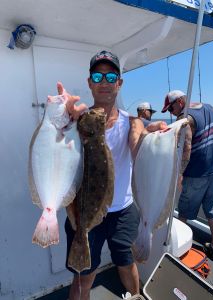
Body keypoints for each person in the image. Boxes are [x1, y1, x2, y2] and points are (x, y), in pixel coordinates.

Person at [57, 50, 167, 300]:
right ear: (89, 83)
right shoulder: (79, 121)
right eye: (97, 76)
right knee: (83, 276)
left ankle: (136, 297)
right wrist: (64, 122)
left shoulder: (132, 123)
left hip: (123, 211)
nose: (104, 82)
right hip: (84, 210)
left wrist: (159, 139)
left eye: (110, 76)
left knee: (127, 264)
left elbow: (138, 145)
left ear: (119, 82)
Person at [161, 89, 213, 264]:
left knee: (185, 208)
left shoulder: (185, 118)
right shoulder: (210, 107)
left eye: (171, 109)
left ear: (179, 102)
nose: (172, 114)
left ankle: (178, 247)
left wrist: (180, 173)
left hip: (197, 171)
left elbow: (187, 147)